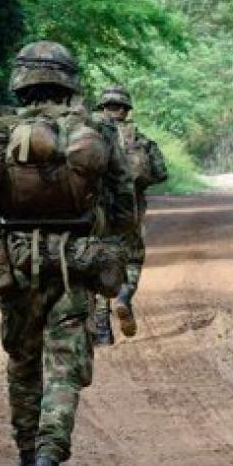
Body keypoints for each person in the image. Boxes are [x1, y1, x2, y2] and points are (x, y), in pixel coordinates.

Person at [0, 41, 136, 466]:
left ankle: (25, 465)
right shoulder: (95, 130)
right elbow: (123, 208)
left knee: (22, 367)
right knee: (64, 374)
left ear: (22, 81)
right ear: (69, 83)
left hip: (16, 268)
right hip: (76, 267)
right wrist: (106, 244)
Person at [92, 85, 167, 345]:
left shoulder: (88, 136)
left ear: (102, 108)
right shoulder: (140, 139)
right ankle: (123, 296)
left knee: (98, 263)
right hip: (130, 212)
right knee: (133, 260)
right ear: (125, 110)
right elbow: (160, 172)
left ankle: (102, 330)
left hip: (96, 214)